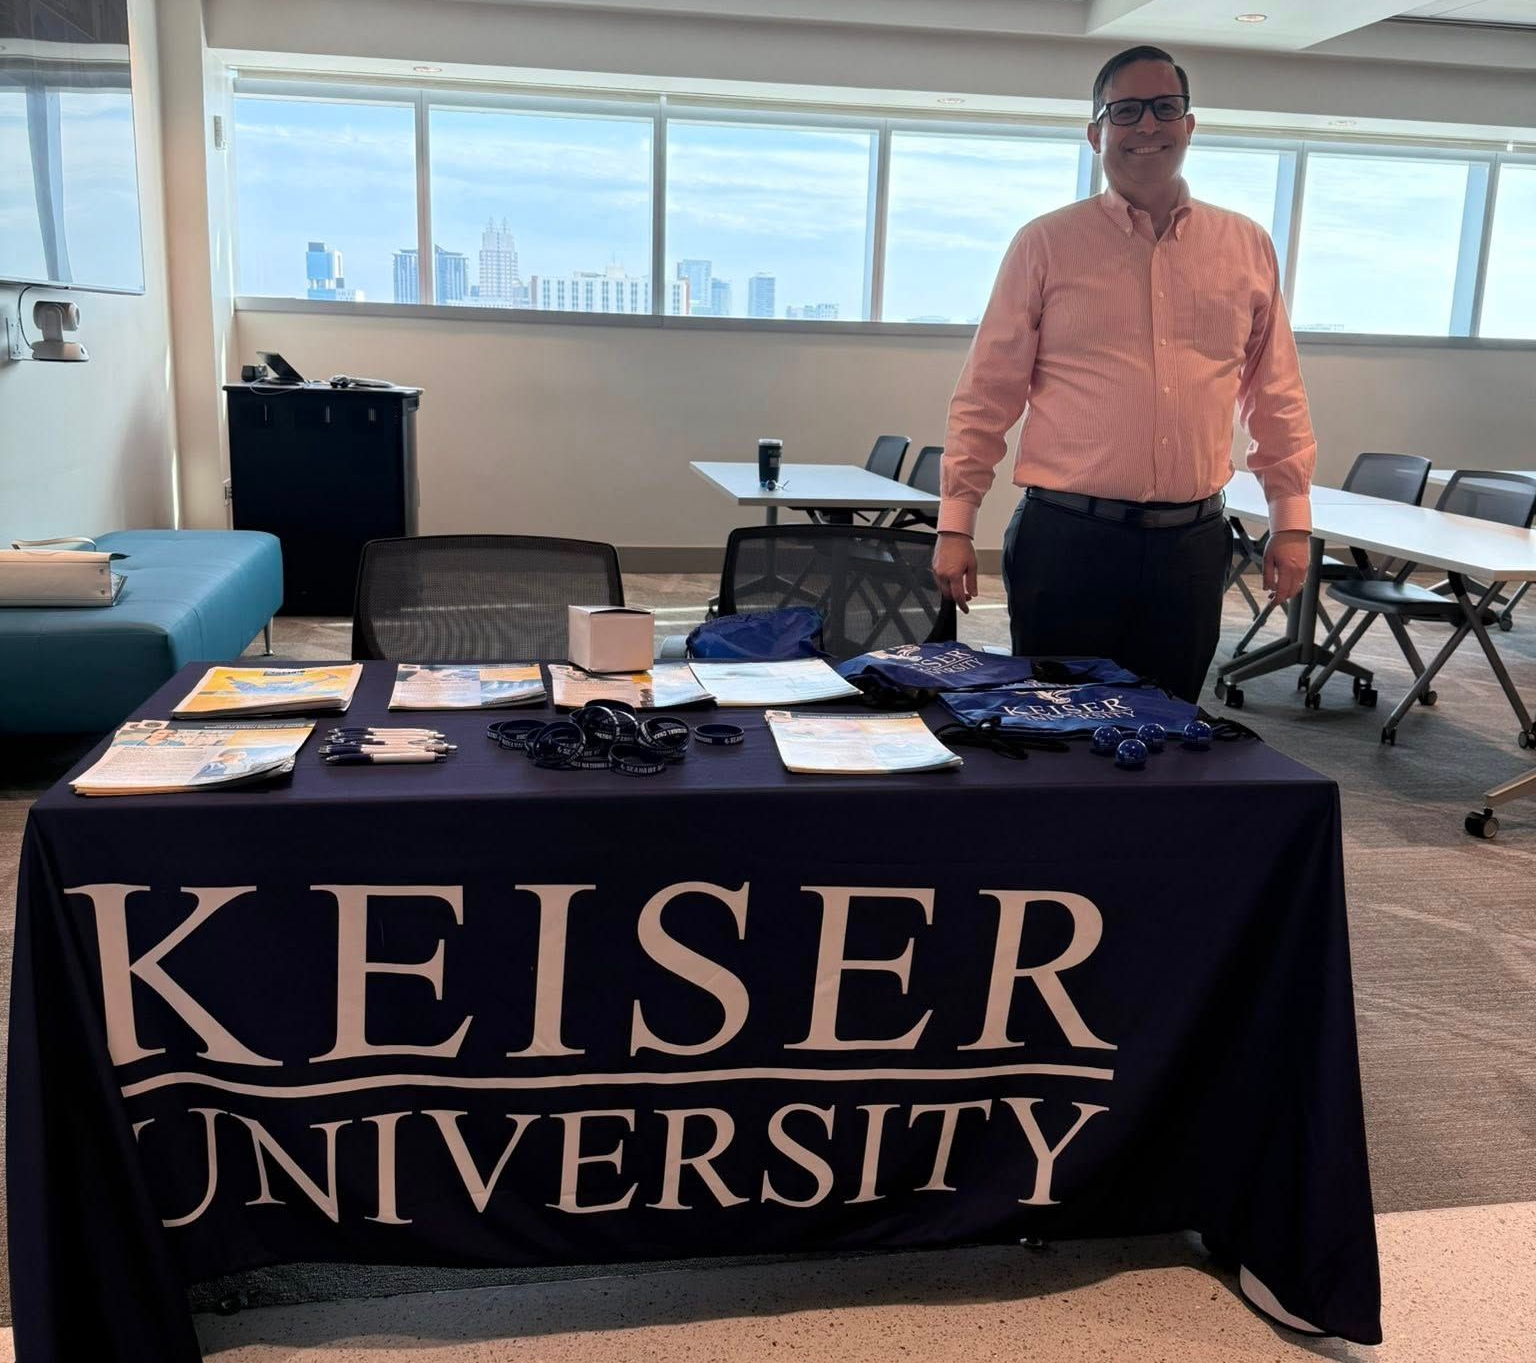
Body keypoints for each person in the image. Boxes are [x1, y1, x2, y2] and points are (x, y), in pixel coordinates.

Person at [931, 44, 1314, 703]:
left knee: (1169, 736)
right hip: (1067, 542)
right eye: (1125, 110)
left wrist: (1293, 519)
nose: (1147, 126)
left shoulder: (1245, 246)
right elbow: (986, 395)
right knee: (1056, 732)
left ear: (1189, 125)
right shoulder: (1046, 244)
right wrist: (955, 523)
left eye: (1165, 108)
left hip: (1192, 547)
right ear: (1095, 133)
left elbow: (1274, 391)